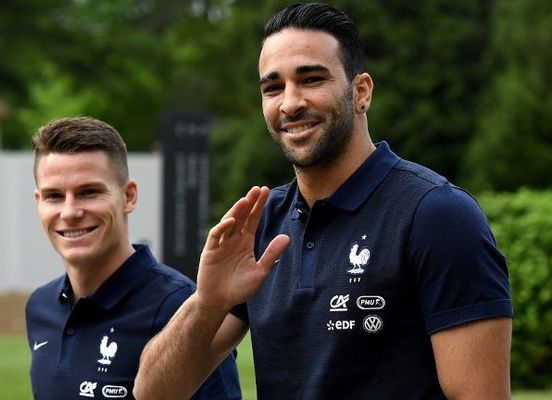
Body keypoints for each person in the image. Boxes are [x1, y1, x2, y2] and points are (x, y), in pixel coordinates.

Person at [133, 3, 513, 400]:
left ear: (361, 91)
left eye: (311, 79)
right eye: (272, 87)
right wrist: (207, 302)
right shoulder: (262, 224)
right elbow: (155, 393)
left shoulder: (437, 215)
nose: (289, 103)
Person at [25, 117, 242, 400]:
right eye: (54, 196)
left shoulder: (181, 307)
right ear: (38, 202)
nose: (70, 212)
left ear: (128, 196)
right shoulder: (40, 307)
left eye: (89, 192)